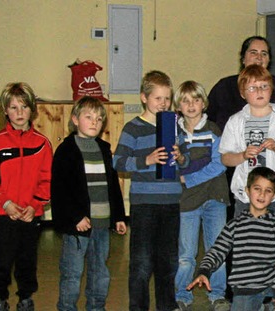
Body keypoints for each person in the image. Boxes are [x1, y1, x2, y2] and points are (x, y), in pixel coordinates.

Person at [113, 70, 186, 311]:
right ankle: (138, 307)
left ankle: (167, 305)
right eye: (158, 98)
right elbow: (118, 162)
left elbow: (184, 158)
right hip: (144, 204)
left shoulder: (174, 125)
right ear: (144, 98)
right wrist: (147, 160)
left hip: (171, 202)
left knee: (168, 262)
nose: (163, 103)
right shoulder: (133, 128)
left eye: (167, 98)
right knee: (142, 263)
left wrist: (180, 156)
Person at [51, 96, 127, 311]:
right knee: (72, 272)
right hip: (78, 226)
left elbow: (112, 186)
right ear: (75, 119)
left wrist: (119, 216)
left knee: (100, 271)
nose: (95, 122)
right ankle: (67, 307)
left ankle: (96, 307)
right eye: (89, 117)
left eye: (99, 118)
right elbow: (60, 190)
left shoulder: (103, 149)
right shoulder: (66, 151)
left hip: (102, 224)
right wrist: (75, 216)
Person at [187, 167, 275, 311]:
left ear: (274, 196)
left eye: (268, 190)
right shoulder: (234, 225)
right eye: (257, 188)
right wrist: (204, 271)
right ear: (247, 191)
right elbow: (217, 250)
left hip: (271, 287)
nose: (262, 194)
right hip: (245, 290)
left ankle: (267, 306)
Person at [219, 64, 275, 231]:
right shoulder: (235, 121)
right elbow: (225, 158)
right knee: (245, 248)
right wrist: (243, 155)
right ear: (243, 93)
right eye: (252, 88)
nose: (259, 92)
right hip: (246, 196)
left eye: (264, 86)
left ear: (271, 90)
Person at [0, 82, 52, 311]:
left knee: (27, 260)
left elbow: (47, 180)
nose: (19, 113)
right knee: (2, 260)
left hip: (30, 215)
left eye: (24, 107)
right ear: (5, 110)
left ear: (32, 110)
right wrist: (5, 203)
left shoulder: (42, 144)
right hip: (1, 213)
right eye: (14, 107)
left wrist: (35, 205)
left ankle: (26, 296)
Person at [172, 81, 230, 311]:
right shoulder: (173, 134)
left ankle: (217, 294)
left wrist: (189, 179)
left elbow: (220, 165)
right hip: (187, 200)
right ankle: (181, 295)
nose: (191, 105)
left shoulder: (213, 130)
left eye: (196, 99)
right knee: (186, 254)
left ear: (203, 103)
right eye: (185, 100)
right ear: (178, 106)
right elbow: (171, 165)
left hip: (215, 197)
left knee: (217, 249)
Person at [208, 36, 275, 137]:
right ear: (243, 58)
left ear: (269, 60)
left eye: (264, 53)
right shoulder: (224, 87)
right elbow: (207, 122)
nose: (259, 57)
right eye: (253, 52)